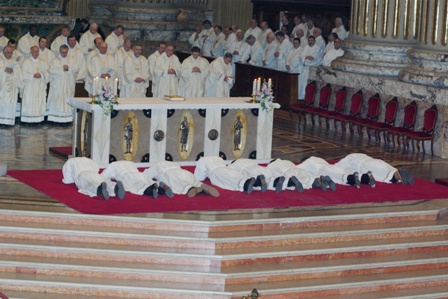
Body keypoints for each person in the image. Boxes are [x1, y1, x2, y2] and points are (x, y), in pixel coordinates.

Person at [144, 161, 220, 198]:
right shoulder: (174, 163)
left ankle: (191, 188)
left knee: (180, 184)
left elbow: (146, 175)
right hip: (184, 172)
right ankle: (201, 186)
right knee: (193, 180)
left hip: (170, 174)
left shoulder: (156, 166)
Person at [102, 160, 173, 199]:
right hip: (138, 174)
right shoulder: (131, 163)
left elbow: (104, 176)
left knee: (138, 187)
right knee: (147, 181)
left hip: (126, 175)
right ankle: (161, 188)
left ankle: (151, 190)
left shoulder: (113, 165)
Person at [47, 45, 80, 124]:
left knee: (68, 99)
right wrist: (62, 69)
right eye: (62, 52)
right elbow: (51, 71)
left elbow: (76, 70)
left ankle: (67, 119)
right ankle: (56, 119)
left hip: (68, 84)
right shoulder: (55, 60)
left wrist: (68, 69)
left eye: (65, 52)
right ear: (59, 51)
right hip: (58, 85)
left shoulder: (72, 60)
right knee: (57, 99)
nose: (64, 54)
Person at [335, 153, 415, 185]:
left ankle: (396, 175)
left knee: (382, 172)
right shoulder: (355, 155)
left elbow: (336, 167)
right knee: (385, 169)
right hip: (373, 162)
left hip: (366, 165)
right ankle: (397, 174)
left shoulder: (348, 159)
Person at [267, 158, 336, 192]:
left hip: (288, 172)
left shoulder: (271, 165)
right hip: (297, 169)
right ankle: (319, 180)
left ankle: (294, 181)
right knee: (309, 177)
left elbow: (272, 175)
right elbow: (297, 167)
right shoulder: (287, 161)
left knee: (303, 182)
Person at [20, 46, 49, 123]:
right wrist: (32, 75)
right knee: (28, 101)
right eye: (34, 51)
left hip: (39, 86)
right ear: (31, 52)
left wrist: (41, 75)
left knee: (39, 102)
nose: (36, 53)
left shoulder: (42, 62)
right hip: (29, 86)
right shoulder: (26, 62)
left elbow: (47, 73)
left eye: (37, 51)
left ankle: (38, 120)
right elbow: (22, 74)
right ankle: (27, 120)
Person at [298, 156, 363, 188]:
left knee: (338, 177)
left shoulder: (307, 162)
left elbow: (297, 169)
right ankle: (363, 178)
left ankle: (352, 179)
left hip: (323, 170)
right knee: (341, 174)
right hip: (332, 167)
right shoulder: (317, 158)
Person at [0, 46, 22, 126]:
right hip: (3, 87)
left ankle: (9, 121)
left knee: (10, 104)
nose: (10, 54)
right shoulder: (1, 60)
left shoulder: (14, 61)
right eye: (8, 52)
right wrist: (4, 70)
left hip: (12, 86)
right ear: (4, 52)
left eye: (11, 53)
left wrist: (13, 70)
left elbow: (19, 72)